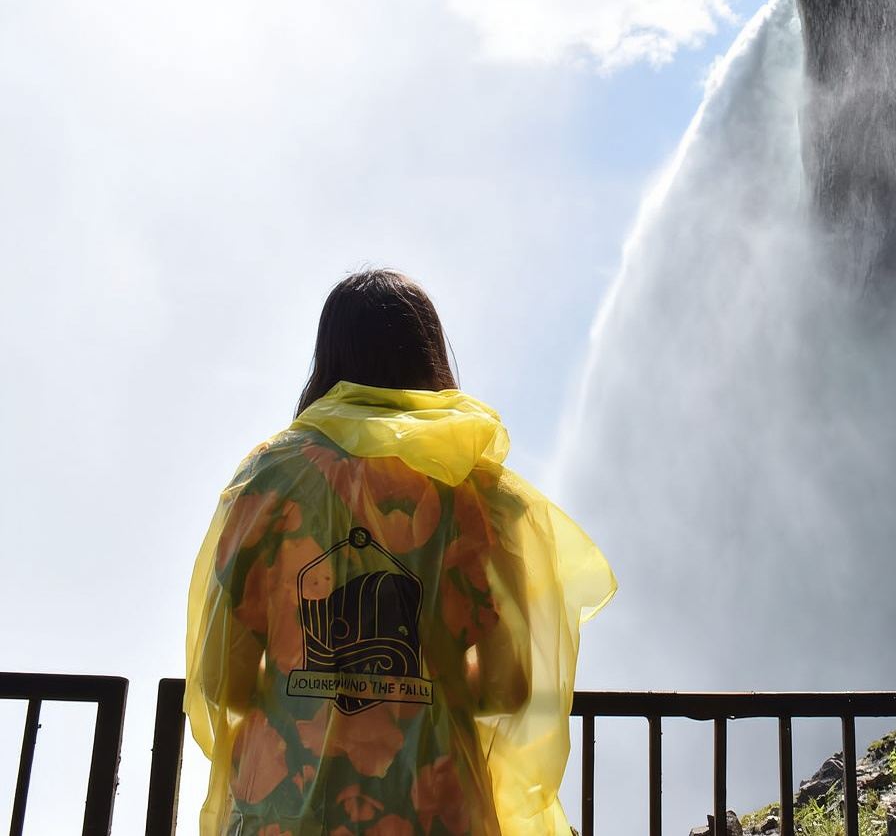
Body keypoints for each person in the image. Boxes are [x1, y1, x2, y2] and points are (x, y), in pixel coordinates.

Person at [185, 269, 615, 836]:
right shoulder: (482, 493)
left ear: (327, 359)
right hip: (433, 809)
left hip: (284, 807)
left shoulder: (270, 480)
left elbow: (222, 683)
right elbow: (508, 689)